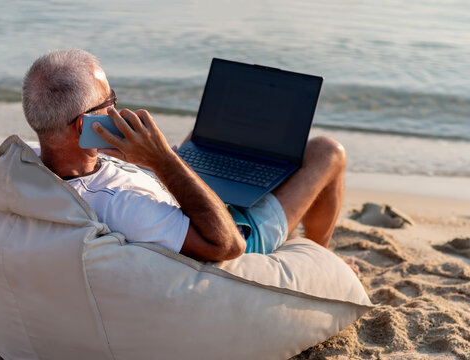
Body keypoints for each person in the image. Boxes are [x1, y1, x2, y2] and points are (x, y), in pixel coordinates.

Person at [22, 49, 347, 263]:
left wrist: (151, 162)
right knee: (327, 152)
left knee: (206, 137)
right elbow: (229, 245)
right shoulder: (124, 206)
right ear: (82, 125)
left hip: (177, 189)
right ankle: (320, 257)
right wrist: (164, 160)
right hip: (237, 225)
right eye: (111, 100)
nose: (116, 109)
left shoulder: (32, 164)